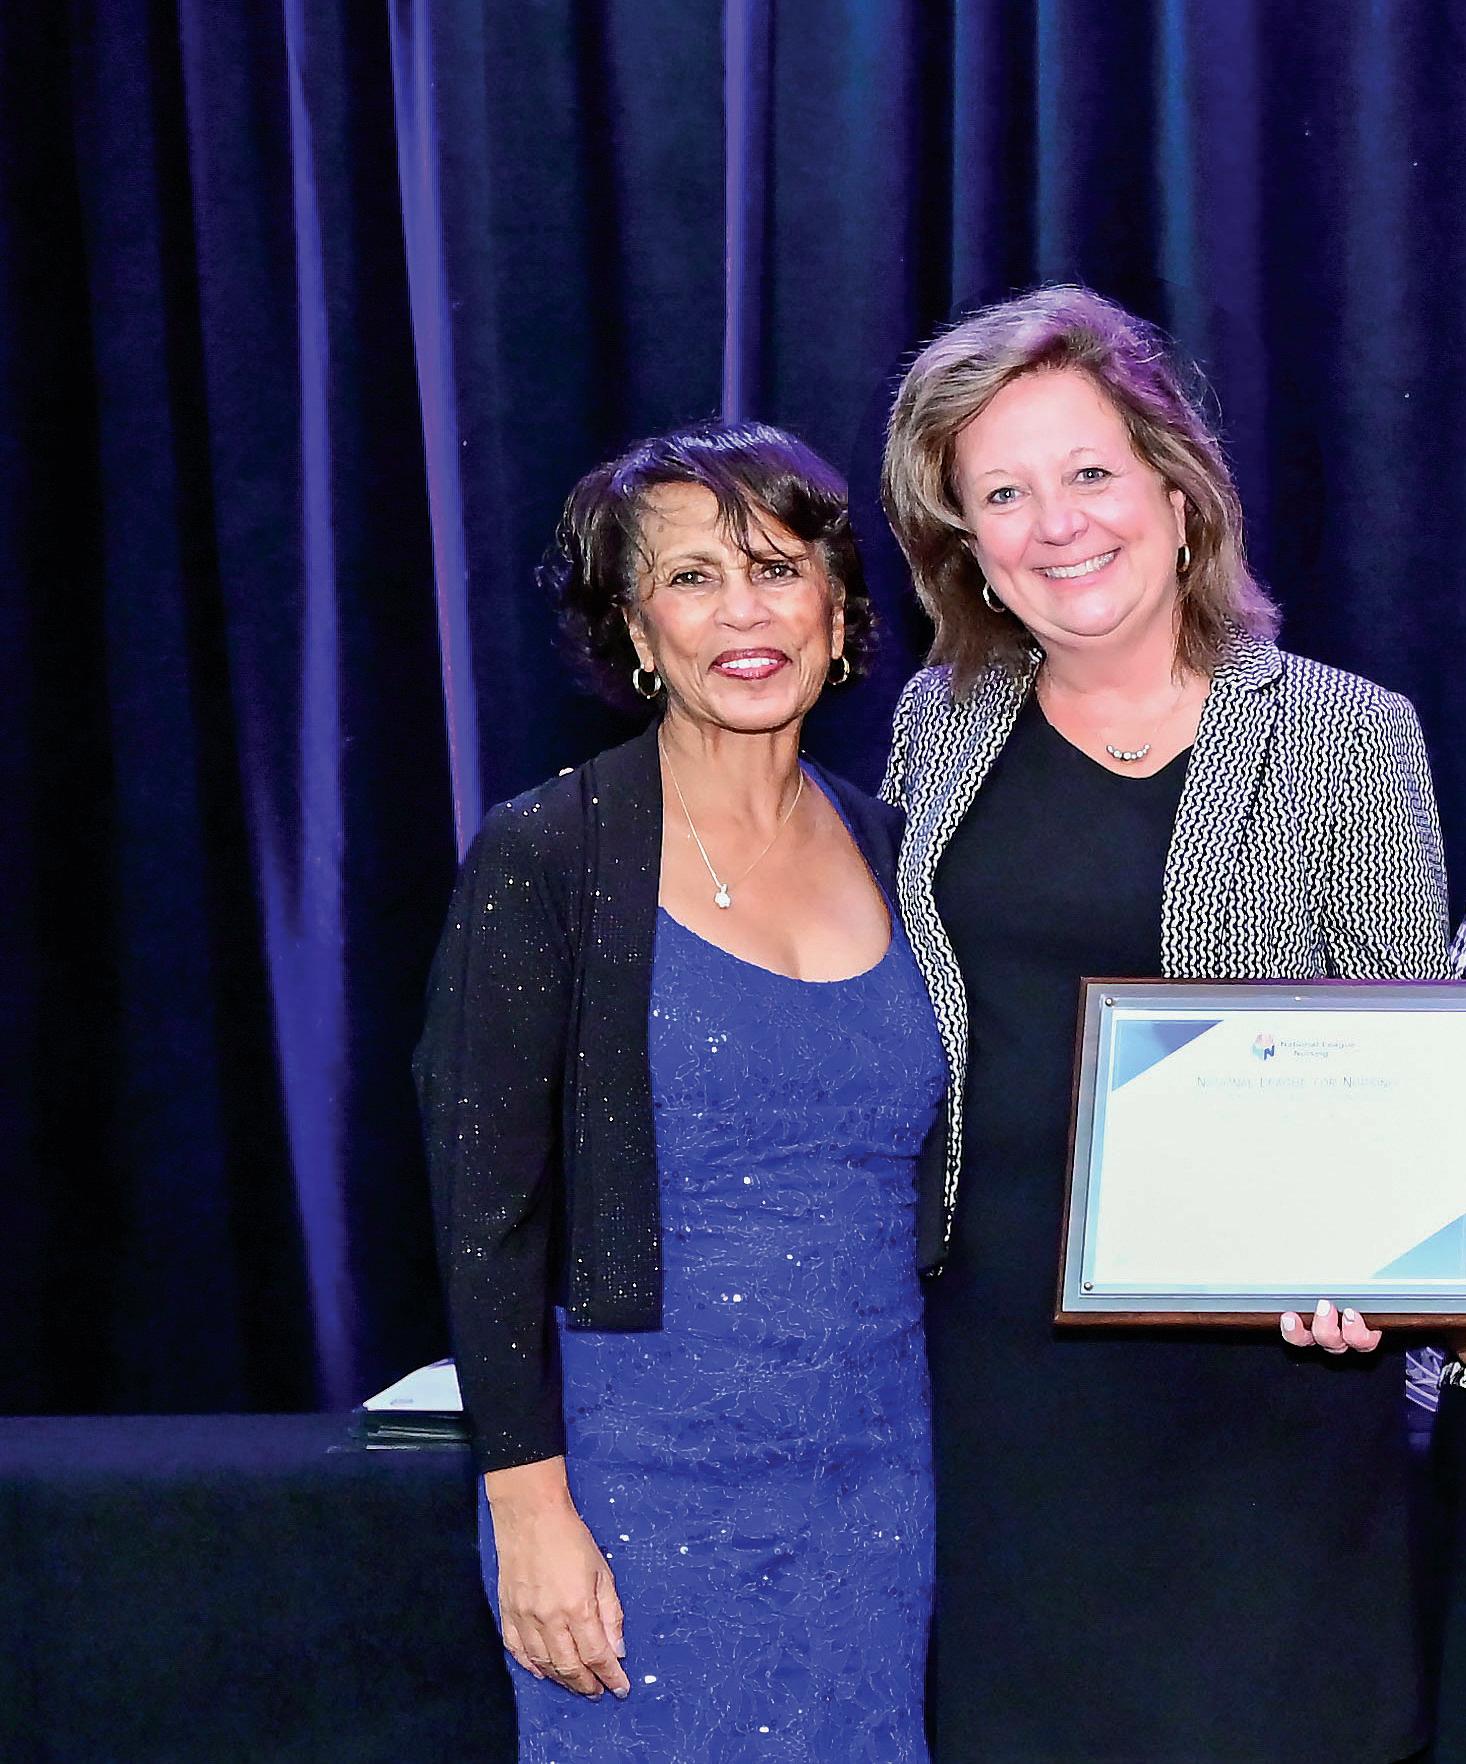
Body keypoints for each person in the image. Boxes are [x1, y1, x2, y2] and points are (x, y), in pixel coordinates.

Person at [879, 285, 1453, 1762]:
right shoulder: (934, 728)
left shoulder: (1342, 731)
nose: (1056, 524)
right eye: (1003, 493)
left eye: (1089, 472)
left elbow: (1403, 1060)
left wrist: (1380, 1276)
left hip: (1269, 1378)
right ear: (966, 544)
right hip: (1001, 1380)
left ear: (1177, 496)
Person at [413, 421, 945, 1762]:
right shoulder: (551, 854)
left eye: (775, 568)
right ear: (638, 633)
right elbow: (484, 1217)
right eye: (691, 578)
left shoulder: (892, 844)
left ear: (837, 615)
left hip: (873, 1480)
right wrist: (529, 1509)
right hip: (633, 1492)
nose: (742, 612)